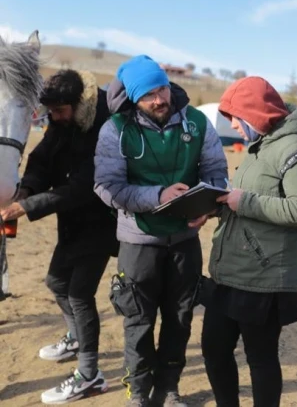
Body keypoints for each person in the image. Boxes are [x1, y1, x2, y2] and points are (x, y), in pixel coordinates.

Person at [94, 55, 228, 407]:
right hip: (139, 241)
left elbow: (216, 171)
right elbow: (107, 187)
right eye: (148, 95)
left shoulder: (197, 122)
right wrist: (157, 195)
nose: (159, 99)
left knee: (180, 319)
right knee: (138, 321)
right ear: (133, 98)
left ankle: (169, 388)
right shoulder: (115, 130)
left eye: (162, 89)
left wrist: (208, 208)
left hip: (185, 240)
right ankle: (138, 394)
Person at [200, 76, 297, 407]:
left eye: (236, 118)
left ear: (255, 113)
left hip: (265, 278)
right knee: (214, 349)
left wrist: (244, 202)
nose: (233, 126)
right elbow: (246, 198)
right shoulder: (259, 147)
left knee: (261, 358)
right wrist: (213, 208)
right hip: (229, 273)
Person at [0, 69, 118, 404]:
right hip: (72, 221)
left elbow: (83, 187)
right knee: (55, 281)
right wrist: (26, 188)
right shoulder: (62, 119)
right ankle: (77, 338)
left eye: (59, 111)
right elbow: (42, 159)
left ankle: (90, 375)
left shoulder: (105, 127)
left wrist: (25, 207)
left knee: (79, 293)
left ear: (79, 104)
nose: (54, 117)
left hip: (103, 220)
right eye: (50, 112)